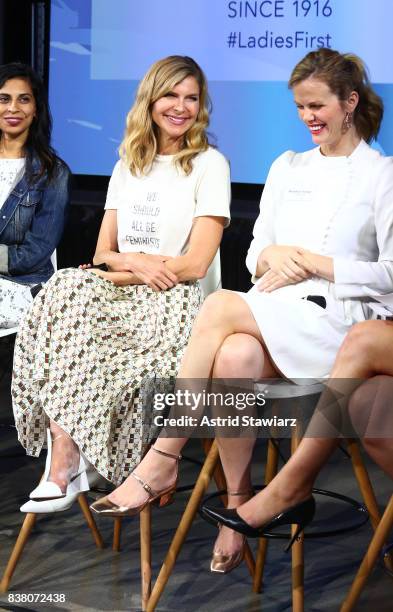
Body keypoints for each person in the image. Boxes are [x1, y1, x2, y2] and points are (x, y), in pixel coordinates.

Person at [90, 48, 393, 575]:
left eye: (318, 105)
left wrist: (313, 262)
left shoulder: (381, 174)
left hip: (342, 326)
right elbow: (255, 253)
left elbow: (389, 272)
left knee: (223, 305)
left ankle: (163, 455)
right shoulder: (285, 165)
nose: (309, 118)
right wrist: (276, 255)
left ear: (350, 103)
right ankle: (238, 503)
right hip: (278, 312)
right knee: (232, 354)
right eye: (300, 107)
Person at [12, 55, 230, 513]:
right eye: (171, 94)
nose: (181, 106)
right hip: (122, 292)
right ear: (151, 99)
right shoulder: (129, 163)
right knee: (65, 286)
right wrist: (136, 263)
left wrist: (139, 272)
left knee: (72, 292)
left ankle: (69, 461)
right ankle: (67, 452)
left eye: (191, 98)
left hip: (176, 300)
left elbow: (194, 264)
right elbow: (101, 253)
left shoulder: (210, 164)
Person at [0, 63, 71, 329]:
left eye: (24, 100)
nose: (13, 108)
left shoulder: (54, 173)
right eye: (4, 99)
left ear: (36, 109)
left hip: (22, 288)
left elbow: (37, 251)